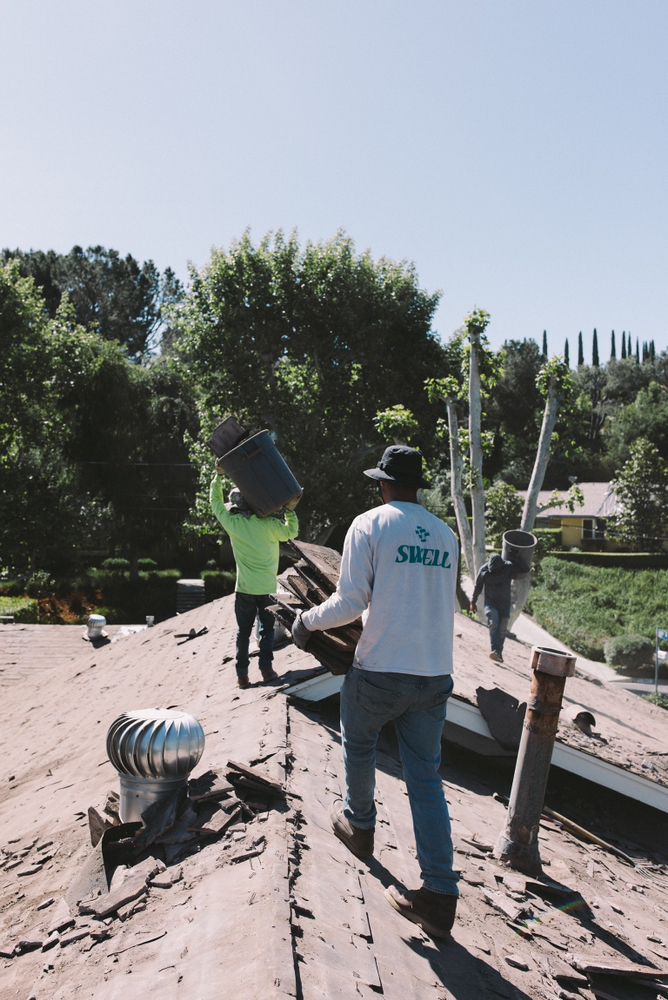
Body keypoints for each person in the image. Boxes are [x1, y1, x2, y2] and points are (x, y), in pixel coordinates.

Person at [291, 445, 460, 939]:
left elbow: (350, 602)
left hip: (382, 670)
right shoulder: (447, 536)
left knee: (358, 740)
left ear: (383, 483)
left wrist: (305, 621)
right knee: (426, 778)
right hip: (433, 676)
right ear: (417, 486)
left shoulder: (370, 524)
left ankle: (359, 826)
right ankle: (440, 893)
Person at [210, 470, 299, 689]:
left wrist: (217, 476)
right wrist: (289, 511)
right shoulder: (269, 526)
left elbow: (216, 505)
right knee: (266, 631)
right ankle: (267, 671)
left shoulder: (234, 525)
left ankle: (242, 676)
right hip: (268, 590)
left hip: (245, 590)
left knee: (243, 633)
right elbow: (292, 532)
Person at [469, 554, 522, 662]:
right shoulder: (484, 571)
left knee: (502, 630)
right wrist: (473, 602)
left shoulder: (508, 567)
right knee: (494, 622)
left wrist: (516, 555)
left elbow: (523, 570)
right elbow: (478, 587)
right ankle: (495, 651)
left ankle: (498, 653)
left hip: (505, 604)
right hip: (490, 603)